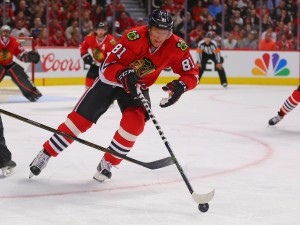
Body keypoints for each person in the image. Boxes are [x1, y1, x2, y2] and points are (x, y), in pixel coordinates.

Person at [29, 9, 199, 182]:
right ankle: (46, 153)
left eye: (163, 33)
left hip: (136, 88)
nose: (158, 37)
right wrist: (122, 74)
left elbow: (193, 74)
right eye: (156, 31)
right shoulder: (134, 37)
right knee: (78, 122)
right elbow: (106, 67)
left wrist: (181, 86)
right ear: (149, 28)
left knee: (135, 124)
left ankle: (108, 163)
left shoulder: (177, 46)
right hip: (110, 82)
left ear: (170, 33)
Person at [0, 25, 42, 102]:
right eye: (4, 32)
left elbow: (20, 54)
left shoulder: (14, 41)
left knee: (19, 74)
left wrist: (28, 57)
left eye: (7, 32)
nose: (5, 34)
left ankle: (32, 94)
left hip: (9, 63)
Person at [80, 22, 116, 88]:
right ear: (95, 30)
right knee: (89, 78)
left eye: (102, 30)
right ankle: (88, 94)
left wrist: (107, 64)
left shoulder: (111, 40)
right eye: (99, 30)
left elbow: (113, 55)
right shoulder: (90, 37)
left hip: (106, 67)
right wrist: (85, 56)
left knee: (106, 83)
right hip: (95, 64)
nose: (101, 32)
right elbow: (83, 47)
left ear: (106, 30)